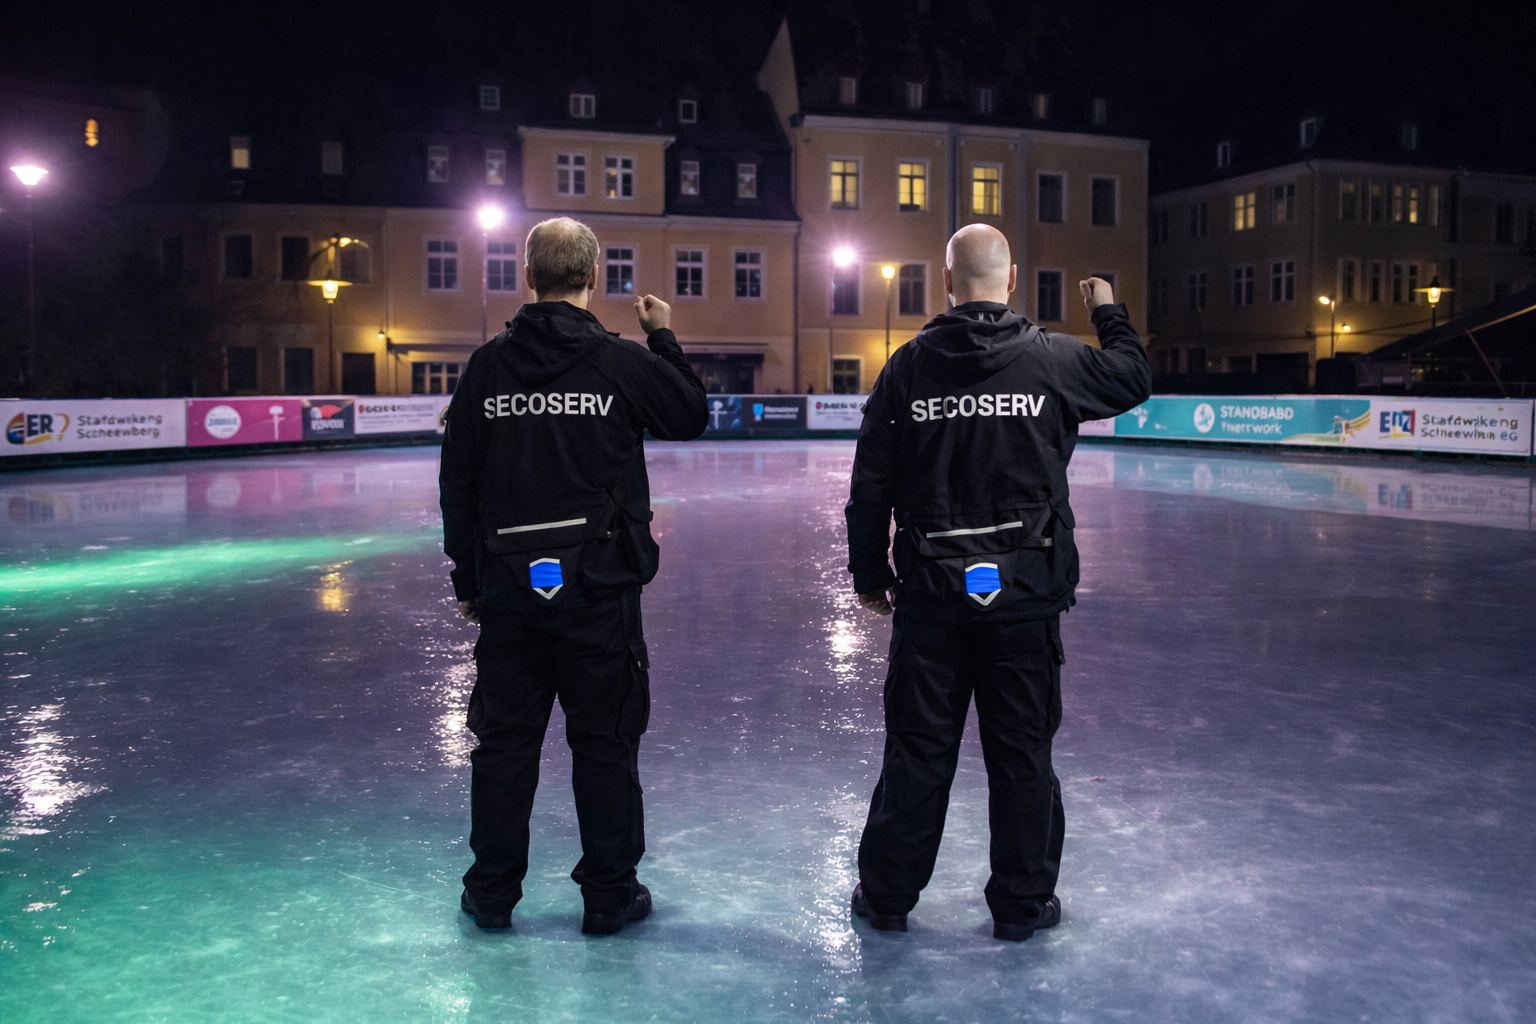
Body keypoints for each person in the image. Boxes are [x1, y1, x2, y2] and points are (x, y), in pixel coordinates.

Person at [844, 224, 1150, 941]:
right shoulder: (1052, 359)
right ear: (1011, 282)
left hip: (932, 598)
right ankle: (1021, 905)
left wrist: (870, 575)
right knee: (1022, 754)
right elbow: (1131, 376)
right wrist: (1107, 311)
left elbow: (871, 483)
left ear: (947, 283)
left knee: (919, 751)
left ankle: (888, 896)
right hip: (1025, 596)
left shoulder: (907, 368)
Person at [439, 217, 707, 935]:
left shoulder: (487, 368)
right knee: (605, 743)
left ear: (528, 277)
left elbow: (457, 483)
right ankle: (609, 895)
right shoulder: (618, 361)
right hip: (599, 591)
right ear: (593, 277)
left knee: (504, 746)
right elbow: (690, 413)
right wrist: (662, 335)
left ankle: (492, 893)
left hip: (510, 591)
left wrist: (469, 579)